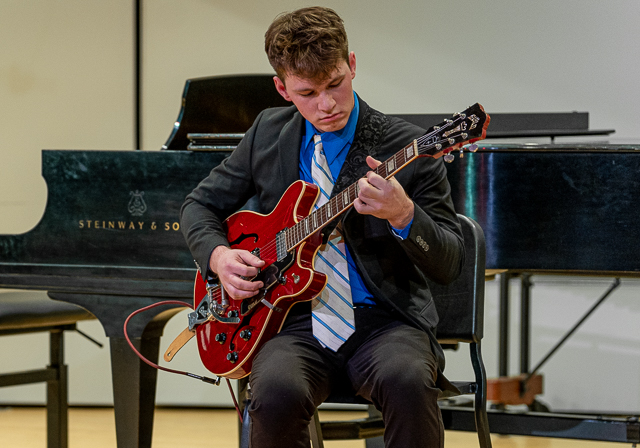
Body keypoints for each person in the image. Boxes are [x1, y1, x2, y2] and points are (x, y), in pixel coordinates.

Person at [180, 6, 464, 448]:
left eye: (335, 83)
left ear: (351, 64)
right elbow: (199, 206)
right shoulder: (267, 133)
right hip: (293, 323)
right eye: (307, 92)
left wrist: (403, 214)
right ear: (282, 88)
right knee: (273, 393)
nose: (326, 104)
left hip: (387, 322)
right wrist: (219, 257)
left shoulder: (405, 146)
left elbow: (450, 262)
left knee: (408, 381)